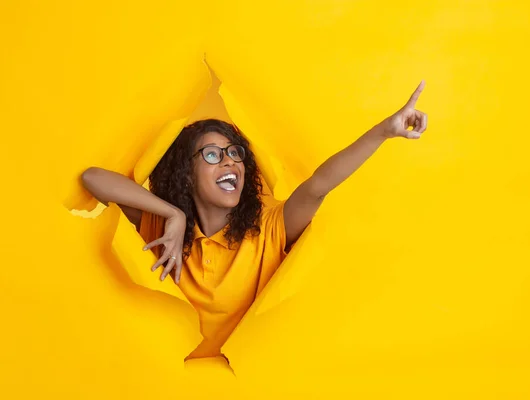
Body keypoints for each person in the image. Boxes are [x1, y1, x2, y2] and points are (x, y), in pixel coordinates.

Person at [82, 81, 428, 360]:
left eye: (235, 154)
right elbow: (94, 178)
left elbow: (319, 186)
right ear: (186, 173)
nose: (230, 162)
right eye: (214, 155)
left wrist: (384, 131)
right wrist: (171, 213)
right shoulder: (160, 228)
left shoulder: (269, 229)